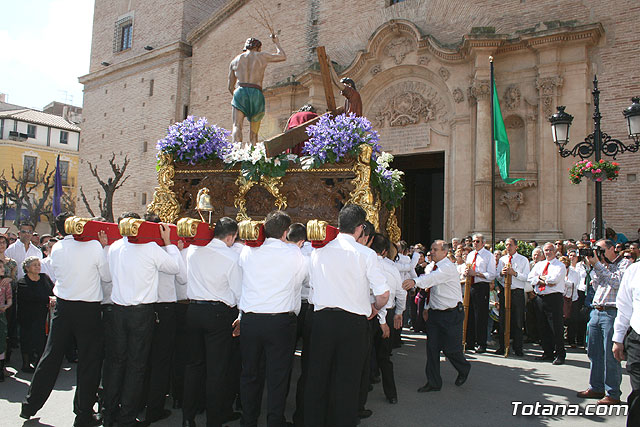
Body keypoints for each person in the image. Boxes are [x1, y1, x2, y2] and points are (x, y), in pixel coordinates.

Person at [20, 213, 110, 426]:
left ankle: (29, 405)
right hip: (87, 309)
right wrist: (104, 247)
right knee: (89, 361)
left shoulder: (58, 247)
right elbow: (106, 277)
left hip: (63, 306)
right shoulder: (94, 247)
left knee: (50, 356)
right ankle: (83, 414)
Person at [304, 204, 389, 427]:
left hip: (322, 320)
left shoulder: (318, 251)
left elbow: (311, 284)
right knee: (347, 379)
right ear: (360, 228)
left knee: (318, 376)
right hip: (353, 324)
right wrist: (376, 308)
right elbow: (383, 294)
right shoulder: (366, 254)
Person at [104, 218, 181, 427]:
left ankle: (109, 412)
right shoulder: (151, 248)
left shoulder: (116, 247)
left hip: (118, 309)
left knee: (116, 363)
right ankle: (127, 417)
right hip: (141, 312)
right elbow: (175, 268)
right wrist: (169, 244)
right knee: (136, 366)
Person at [238, 210, 307, 427]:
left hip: (251, 319)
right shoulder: (294, 254)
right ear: (286, 232)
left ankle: (248, 420)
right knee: (278, 376)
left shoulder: (247, 252)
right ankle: (274, 420)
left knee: (250, 374)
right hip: (279, 321)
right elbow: (298, 283)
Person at [182, 217, 242, 427]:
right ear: (231, 236)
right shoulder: (231, 257)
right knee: (217, 370)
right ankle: (214, 420)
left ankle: (187, 416)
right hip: (218, 314)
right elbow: (237, 292)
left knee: (193, 365)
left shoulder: (193, 251)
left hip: (194, 310)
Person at [137, 213, 188, 425]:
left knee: (143, 358)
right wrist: (173, 247)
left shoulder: (138, 248)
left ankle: (139, 402)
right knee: (161, 360)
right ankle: (155, 407)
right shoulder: (167, 251)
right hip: (165, 308)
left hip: (144, 307)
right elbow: (182, 277)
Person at [402, 240, 471, 392]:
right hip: (435, 314)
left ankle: (464, 368)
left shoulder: (446, 267)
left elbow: (431, 280)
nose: (431, 252)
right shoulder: (431, 267)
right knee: (432, 348)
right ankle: (433, 382)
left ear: (444, 252)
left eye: (435, 249)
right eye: (431, 249)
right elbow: (431, 289)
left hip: (451, 314)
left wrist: (414, 281)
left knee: (451, 349)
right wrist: (427, 307)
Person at [577, 239, 631, 405]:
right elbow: (596, 284)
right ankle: (596, 387)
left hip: (611, 312)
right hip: (597, 310)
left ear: (612, 248)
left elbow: (617, 283)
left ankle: (612, 393)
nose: (597, 253)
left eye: (600, 250)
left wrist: (598, 266)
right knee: (594, 353)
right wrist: (593, 266)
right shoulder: (601, 265)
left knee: (610, 355)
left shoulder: (625, 264)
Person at [228, 35, 286, 144]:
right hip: (256, 93)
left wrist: (237, 98)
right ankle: (253, 153)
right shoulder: (262, 56)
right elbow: (282, 56)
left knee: (237, 126)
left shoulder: (235, 61)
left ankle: (235, 153)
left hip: (240, 91)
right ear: (258, 48)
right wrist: (276, 42)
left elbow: (230, 86)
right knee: (254, 132)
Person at [371, 234, 405, 404]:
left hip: (370, 313)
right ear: (385, 251)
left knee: (366, 353)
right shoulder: (392, 268)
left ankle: (364, 390)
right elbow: (400, 293)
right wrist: (399, 312)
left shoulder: (366, 264)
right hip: (386, 312)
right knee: (385, 357)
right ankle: (391, 394)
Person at [528, 242, 566, 365]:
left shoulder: (560, 265)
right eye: (546, 250)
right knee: (542, 326)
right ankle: (547, 352)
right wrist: (542, 279)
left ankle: (560, 353)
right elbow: (530, 278)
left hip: (553, 298)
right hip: (540, 297)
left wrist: (540, 279)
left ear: (555, 252)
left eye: (550, 250)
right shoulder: (539, 265)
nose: (548, 252)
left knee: (556, 327)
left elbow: (553, 280)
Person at [612, 262, 640, 426]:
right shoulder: (634, 270)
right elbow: (624, 307)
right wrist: (618, 338)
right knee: (638, 396)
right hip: (637, 341)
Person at [16, 256, 54, 372]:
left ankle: (40, 363)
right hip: (28, 316)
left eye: (38, 264)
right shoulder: (22, 282)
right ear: (27, 268)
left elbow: (53, 290)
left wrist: (52, 298)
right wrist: (48, 298)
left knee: (41, 339)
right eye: (34, 265)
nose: (38, 267)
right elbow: (32, 296)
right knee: (27, 339)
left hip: (42, 315)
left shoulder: (44, 278)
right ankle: (26, 364)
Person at [496, 238, 530, 356]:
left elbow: (527, 277)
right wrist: (502, 273)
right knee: (503, 320)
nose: (508, 247)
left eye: (510, 245)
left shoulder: (523, 260)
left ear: (516, 246)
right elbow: (497, 276)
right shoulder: (502, 260)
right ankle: (503, 345)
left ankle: (518, 347)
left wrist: (514, 273)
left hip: (517, 292)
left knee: (517, 320)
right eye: (506, 245)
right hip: (505, 291)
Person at [464, 233, 496, 353]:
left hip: (481, 286)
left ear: (483, 243)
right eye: (473, 241)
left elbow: (491, 274)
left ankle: (481, 343)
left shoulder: (488, 256)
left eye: (477, 241)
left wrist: (476, 274)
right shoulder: (471, 254)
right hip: (470, 285)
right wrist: (466, 272)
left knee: (480, 315)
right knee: (470, 314)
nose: (475, 244)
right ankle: (470, 341)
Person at [0, 257, 12, 382]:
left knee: (2, 340)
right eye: (1, 268)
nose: (3, 270)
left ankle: (1, 369)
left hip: (1, 315)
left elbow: (9, 299)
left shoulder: (6, 284)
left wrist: (6, 305)